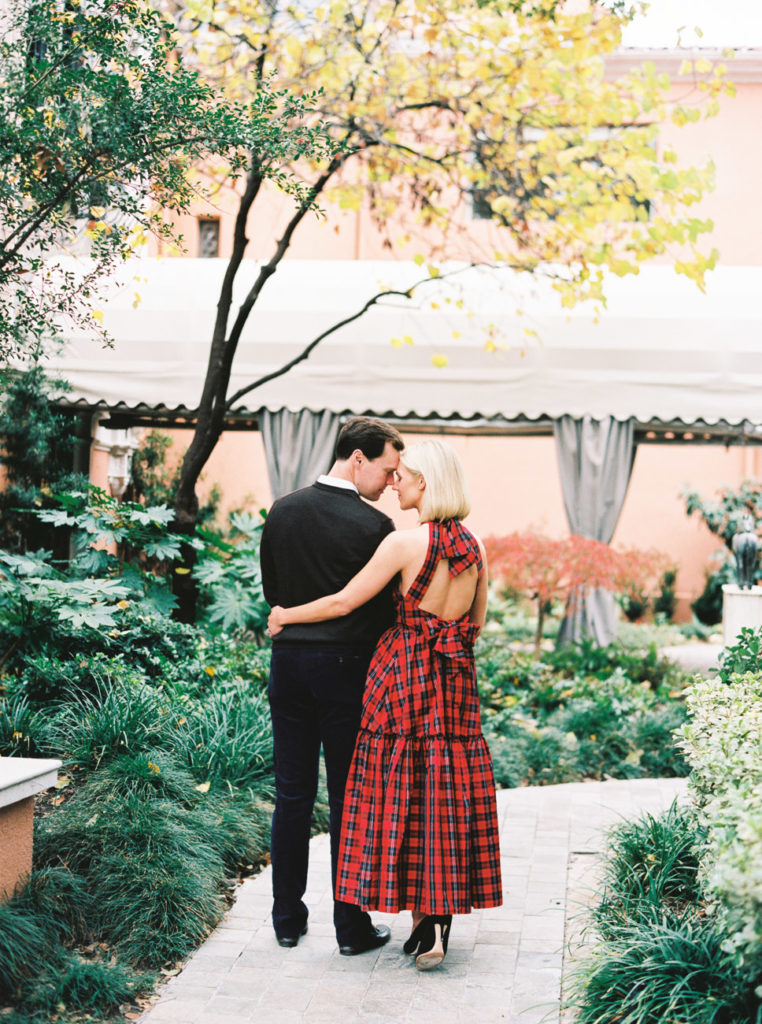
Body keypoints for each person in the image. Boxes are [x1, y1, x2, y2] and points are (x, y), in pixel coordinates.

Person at [268, 439, 502, 971]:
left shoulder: (403, 544)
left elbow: (345, 601)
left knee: (399, 791)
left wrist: (285, 615)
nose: (397, 482)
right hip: (454, 678)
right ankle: (432, 918)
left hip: (401, 677)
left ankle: (406, 919)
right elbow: (477, 624)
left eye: (407, 476)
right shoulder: (477, 548)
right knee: (443, 790)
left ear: (429, 485)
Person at [259, 416, 404, 955]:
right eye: (387, 469)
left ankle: (286, 920)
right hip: (348, 669)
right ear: (358, 458)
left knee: (292, 795)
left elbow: (274, 592)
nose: (391, 482)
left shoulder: (282, 510)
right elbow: (386, 610)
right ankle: (350, 928)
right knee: (348, 797)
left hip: (289, 664)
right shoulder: (375, 529)